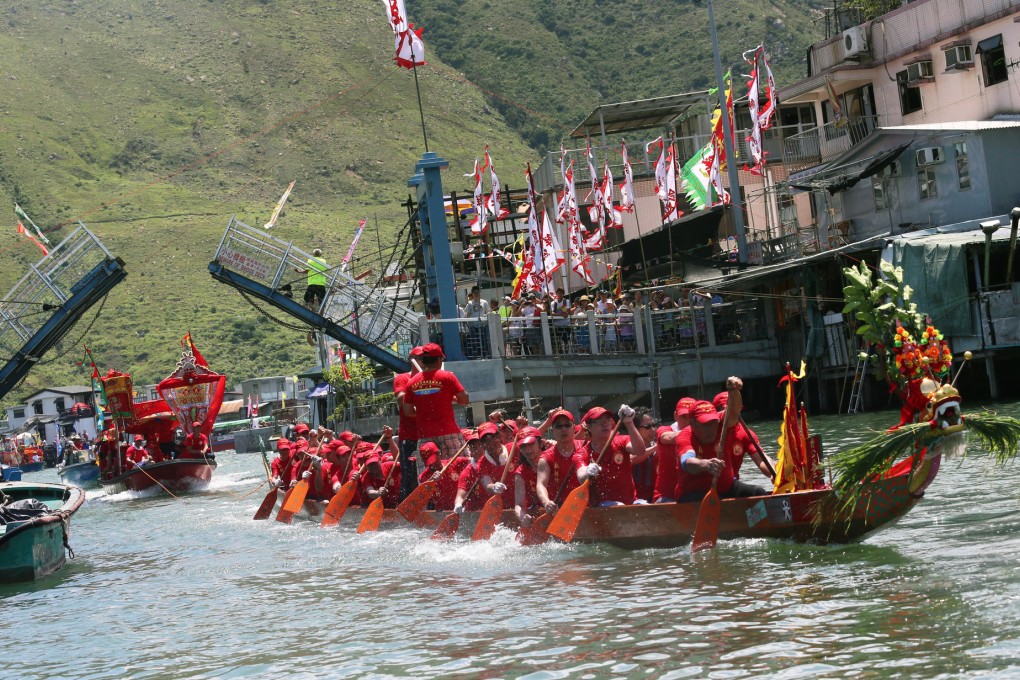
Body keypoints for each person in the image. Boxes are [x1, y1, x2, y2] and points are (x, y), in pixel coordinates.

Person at [675, 377, 771, 503]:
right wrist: (706, 464)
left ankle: (762, 521)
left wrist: (735, 390)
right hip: (693, 493)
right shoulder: (685, 436)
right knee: (717, 502)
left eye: (713, 423)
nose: (711, 428)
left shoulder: (723, 423)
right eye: (705, 424)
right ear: (692, 424)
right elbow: (687, 462)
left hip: (727, 488)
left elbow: (733, 412)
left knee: (758, 493)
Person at [402, 343, 469, 460]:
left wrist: (424, 411)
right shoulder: (447, 377)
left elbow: (407, 411)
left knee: (432, 473)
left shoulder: (412, 382)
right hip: (449, 432)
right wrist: (450, 397)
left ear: (423, 360)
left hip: (425, 436)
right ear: (439, 359)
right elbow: (464, 400)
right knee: (458, 466)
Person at [575, 405, 650, 506]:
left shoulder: (621, 441)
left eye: (607, 420)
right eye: (599, 420)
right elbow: (581, 476)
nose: (605, 424)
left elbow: (640, 451)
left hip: (630, 503)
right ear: (588, 426)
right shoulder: (582, 453)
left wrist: (629, 423)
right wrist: (588, 472)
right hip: (601, 508)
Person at [712, 390, 775, 482]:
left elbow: (761, 459)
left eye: (738, 408)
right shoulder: (709, 430)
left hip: (732, 482)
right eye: (731, 409)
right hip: (709, 482)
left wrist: (774, 471)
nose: (735, 413)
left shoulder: (746, 433)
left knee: (758, 491)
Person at [535, 409, 586, 515]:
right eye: (558, 426)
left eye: (567, 425)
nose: (563, 429)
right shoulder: (545, 457)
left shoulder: (586, 447)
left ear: (573, 428)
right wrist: (546, 502)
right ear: (552, 430)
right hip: (561, 508)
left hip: (587, 504)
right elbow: (541, 484)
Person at [394, 346, 424, 500]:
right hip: (410, 436)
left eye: (425, 358)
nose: (423, 361)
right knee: (409, 475)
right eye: (420, 358)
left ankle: (431, 506)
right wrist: (417, 384)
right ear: (412, 360)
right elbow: (400, 399)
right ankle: (404, 504)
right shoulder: (402, 378)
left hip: (429, 435)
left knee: (429, 473)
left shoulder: (433, 378)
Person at [654, 397, 696, 503]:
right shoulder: (664, 430)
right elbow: (668, 437)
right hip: (666, 496)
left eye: (691, 417)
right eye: (684, 417)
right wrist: (697, 430)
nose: (688, 421)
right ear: (675, 416)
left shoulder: (702, 434)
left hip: (692, 493)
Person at [512, 426, 545, 528]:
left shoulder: (552, 459)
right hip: (537, 514)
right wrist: (522, 517)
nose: (527, 450)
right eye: (523, 446)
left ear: (541, 443)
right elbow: (518, 505)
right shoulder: (520, 473)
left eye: (531, 444)